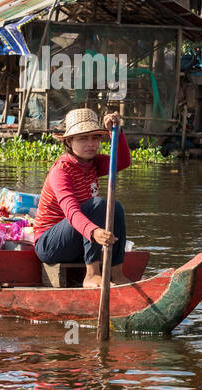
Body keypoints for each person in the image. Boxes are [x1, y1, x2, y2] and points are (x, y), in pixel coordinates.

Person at [33, 107, 131, 287]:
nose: (91, 143)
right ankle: (92, 275)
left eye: (95, 138)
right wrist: (94, 232)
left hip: (78, 239)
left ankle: (116, 274)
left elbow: (122, 161)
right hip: (50, 245)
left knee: (115, 207)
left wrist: (116, 132)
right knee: (98, 204)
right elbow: (72, 212)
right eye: (83, 138)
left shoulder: (94, 163)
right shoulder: (61, 171)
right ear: (69, 141)